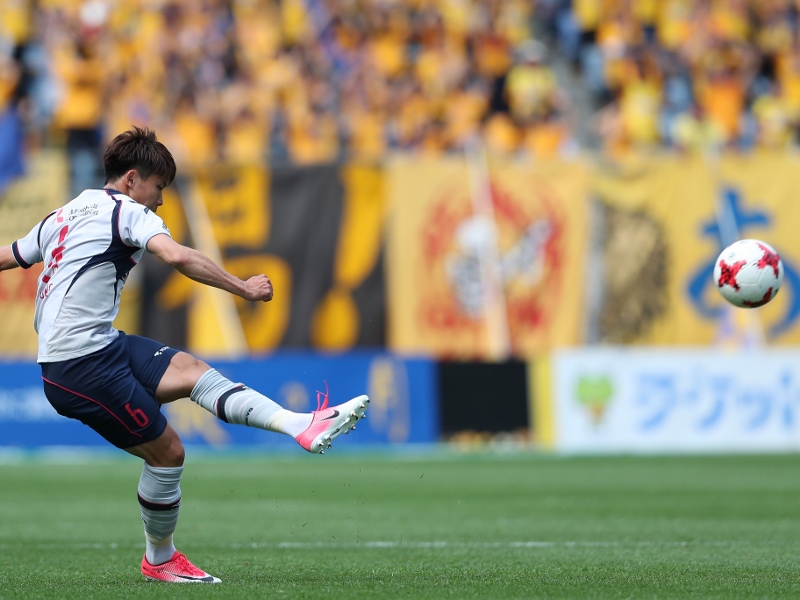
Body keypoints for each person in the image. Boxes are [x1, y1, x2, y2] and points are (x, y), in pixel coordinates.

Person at [0, 126, 369, 584]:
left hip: (99, 345)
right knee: (168, 453)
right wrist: (243, 287)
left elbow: (11, 254)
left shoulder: (65, 212)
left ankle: (299, 424)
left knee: (192, 370)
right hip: (78, 366)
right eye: (159, 187)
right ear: (132, 179)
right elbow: (176, 257)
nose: (160, 200)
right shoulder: (128, 212)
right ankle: (160, 560)